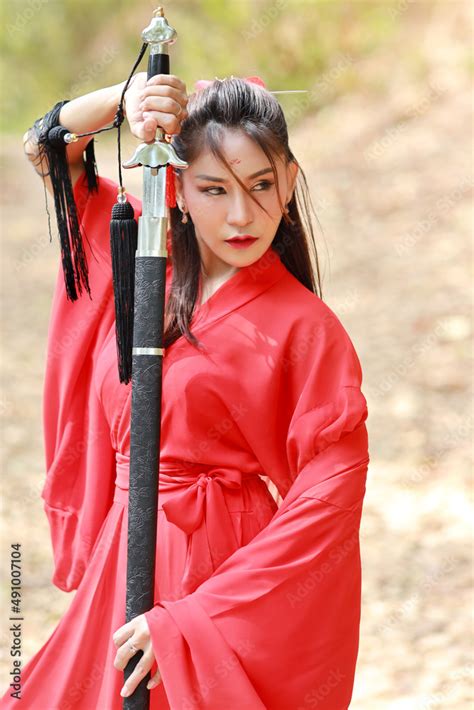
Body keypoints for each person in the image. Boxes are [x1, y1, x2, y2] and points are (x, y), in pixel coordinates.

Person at [1, 71, 370, 709]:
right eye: (213, 188)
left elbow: (331, 493)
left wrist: (197, 616)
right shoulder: (141, 256)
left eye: (261, 185)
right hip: (123, 548)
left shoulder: (306, 327)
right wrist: (124, 102)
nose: (240, 214)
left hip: (221, 574)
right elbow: (47, 149)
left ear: (289, 181)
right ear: (176, 186)